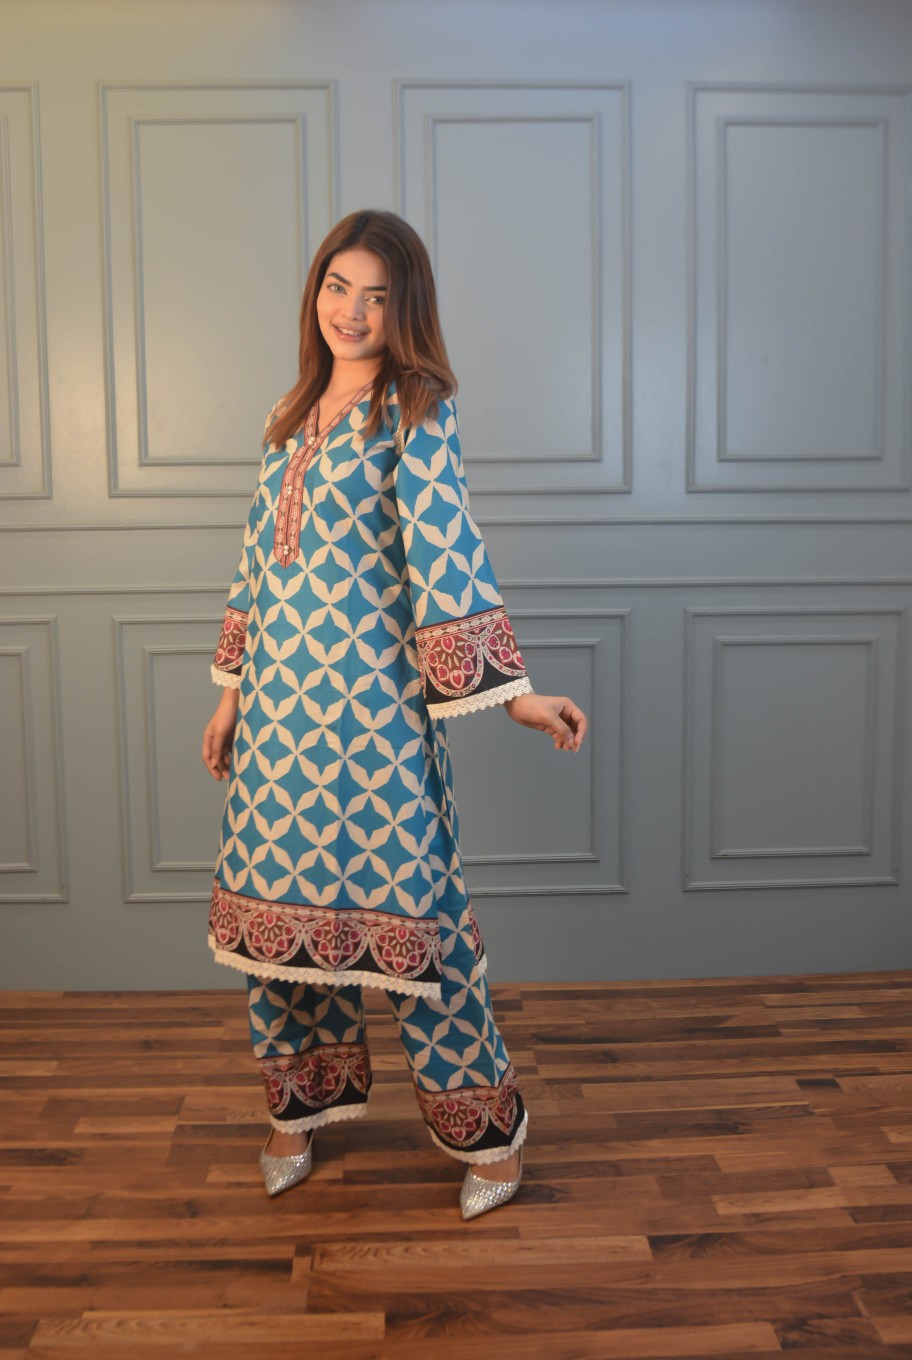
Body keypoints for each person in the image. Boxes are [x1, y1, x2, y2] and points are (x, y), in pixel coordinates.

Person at [201, 209, 588, 1220]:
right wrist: (231, 694)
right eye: (338, 286)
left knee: (422, 934)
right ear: (316, 292)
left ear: (403, 308)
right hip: (278, 724)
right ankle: (297, 1113)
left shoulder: (415, 410)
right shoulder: (290, 412)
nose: (353, 311)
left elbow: (446, 548)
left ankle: (490, 1137)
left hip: (373, 721)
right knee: (275, 923)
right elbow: (255, 563)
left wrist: (517, 696)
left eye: (377, 295)